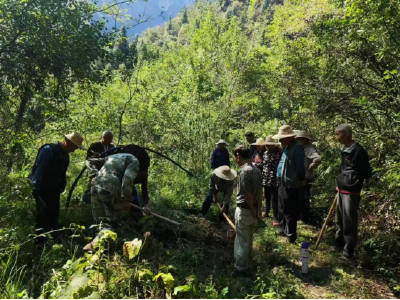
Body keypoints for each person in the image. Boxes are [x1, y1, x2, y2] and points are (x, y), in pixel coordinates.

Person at [29, 133, 86, 249]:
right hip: (41, 188)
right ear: (68, 143)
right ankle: (39, 242)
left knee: (53, 213)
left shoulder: (65, 155)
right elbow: (40, 168)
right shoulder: (48, 150)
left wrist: (62, 185)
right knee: (42, 214)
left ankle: (50, 237)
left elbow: (62, 172)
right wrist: (36, 187)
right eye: (75, 147)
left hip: (53, 189)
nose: (75, 150)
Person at [84, 153, 140, 251]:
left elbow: (89, 161)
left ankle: (99, 251)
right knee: (112, 223)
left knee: (100, 222)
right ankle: (94, 246)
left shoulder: (113, 156)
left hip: (95, 186)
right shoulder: (134, 160)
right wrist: (125, 199)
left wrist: (93, 175)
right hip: (110, 189)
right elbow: (128, 178)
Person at [335, 124, 372, 261]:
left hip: (351, 192)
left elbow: (366, 172)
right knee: (339, 220)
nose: (336, 137)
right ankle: (338, 246)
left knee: (349, 222)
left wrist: (353, 180)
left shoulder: (358, 151)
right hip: (341, 189)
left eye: (338, 134)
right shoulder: (344, 149)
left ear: (347, 134)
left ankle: (348, 253)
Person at [232, 145, 263, 277]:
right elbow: (261, 192)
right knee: (249, 239)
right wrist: (258, 209)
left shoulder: (245, 171)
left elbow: (248, 194)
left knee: (241, 240)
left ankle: (240, 268)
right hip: (253, 210)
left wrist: (251, 210)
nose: (234, 159)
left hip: (245, 210)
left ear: (238, 156)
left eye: (234, 157)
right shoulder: (256, 170)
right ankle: (248, 263)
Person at [273, 125, 306, 244]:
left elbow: (300, 167)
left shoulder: (297, 148)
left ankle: (291, 235)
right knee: (282, 208)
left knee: (290, 211)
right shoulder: (287, 147)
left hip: (292, 184)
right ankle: (283, 230)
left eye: (282, 138)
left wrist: (302, 179)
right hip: (283, 183)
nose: (280, 140)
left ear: (289, 137)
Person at [81, 131, 115, 204]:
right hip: (96, 171)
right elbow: (88, 160)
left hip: (108, 171)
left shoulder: (112, 147)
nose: (110, 141)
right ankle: (84, 201)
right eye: (109, 139)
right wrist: (94, 157)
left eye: (111, 139)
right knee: (92, 185)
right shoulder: (94, 146)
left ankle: (102, 201)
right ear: (103, 137)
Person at [296, 131, 322, 223]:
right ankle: (300, 216)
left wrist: (311, 166)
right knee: (299, 197)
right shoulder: (301, 148)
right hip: (300, 177)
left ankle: (305, 218)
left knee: (304, 198)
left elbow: (318, 159)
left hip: (306, 178)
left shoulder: (309, 149)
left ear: (304, 139)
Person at [262, 136, 283, 225]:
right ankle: (266, 212)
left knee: (275, 198)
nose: (268, 146)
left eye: (270, 145)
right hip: (266, 178)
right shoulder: (266, 153)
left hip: (275, 178)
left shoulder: (280, 152)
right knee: (266, 196)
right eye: (267, 145)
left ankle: (276, 217)